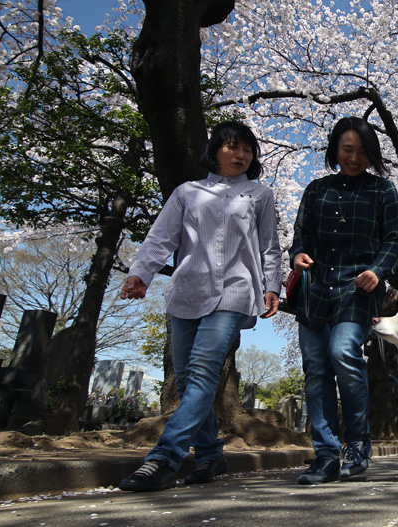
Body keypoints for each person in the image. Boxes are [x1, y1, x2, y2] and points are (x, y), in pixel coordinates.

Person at [117, 121, 282, 492]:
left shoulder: (260, 195)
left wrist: (273, 285)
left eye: (247, 150)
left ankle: (163, 459)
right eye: (231, 147)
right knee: (190, 379)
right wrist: (141, 273)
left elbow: (269, 246)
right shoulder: (187, 193)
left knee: (204, 371)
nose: (240, 155)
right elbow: (162, 237)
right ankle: (210, 453)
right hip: (187, 291)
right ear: (214, 150)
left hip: (234, 291)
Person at [290, 117, 398, 485]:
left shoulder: (382, 190)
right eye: (347, 150)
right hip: (316, 286)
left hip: (359, 287)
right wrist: (298, 255)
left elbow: (394, 239)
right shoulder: (316, 189)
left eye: (361, 151)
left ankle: (357, 443)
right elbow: (301, 234)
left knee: (342, 352)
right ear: (335, 150)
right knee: (316, 367)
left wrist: (379, 270)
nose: (354, 158)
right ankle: (325, 453)